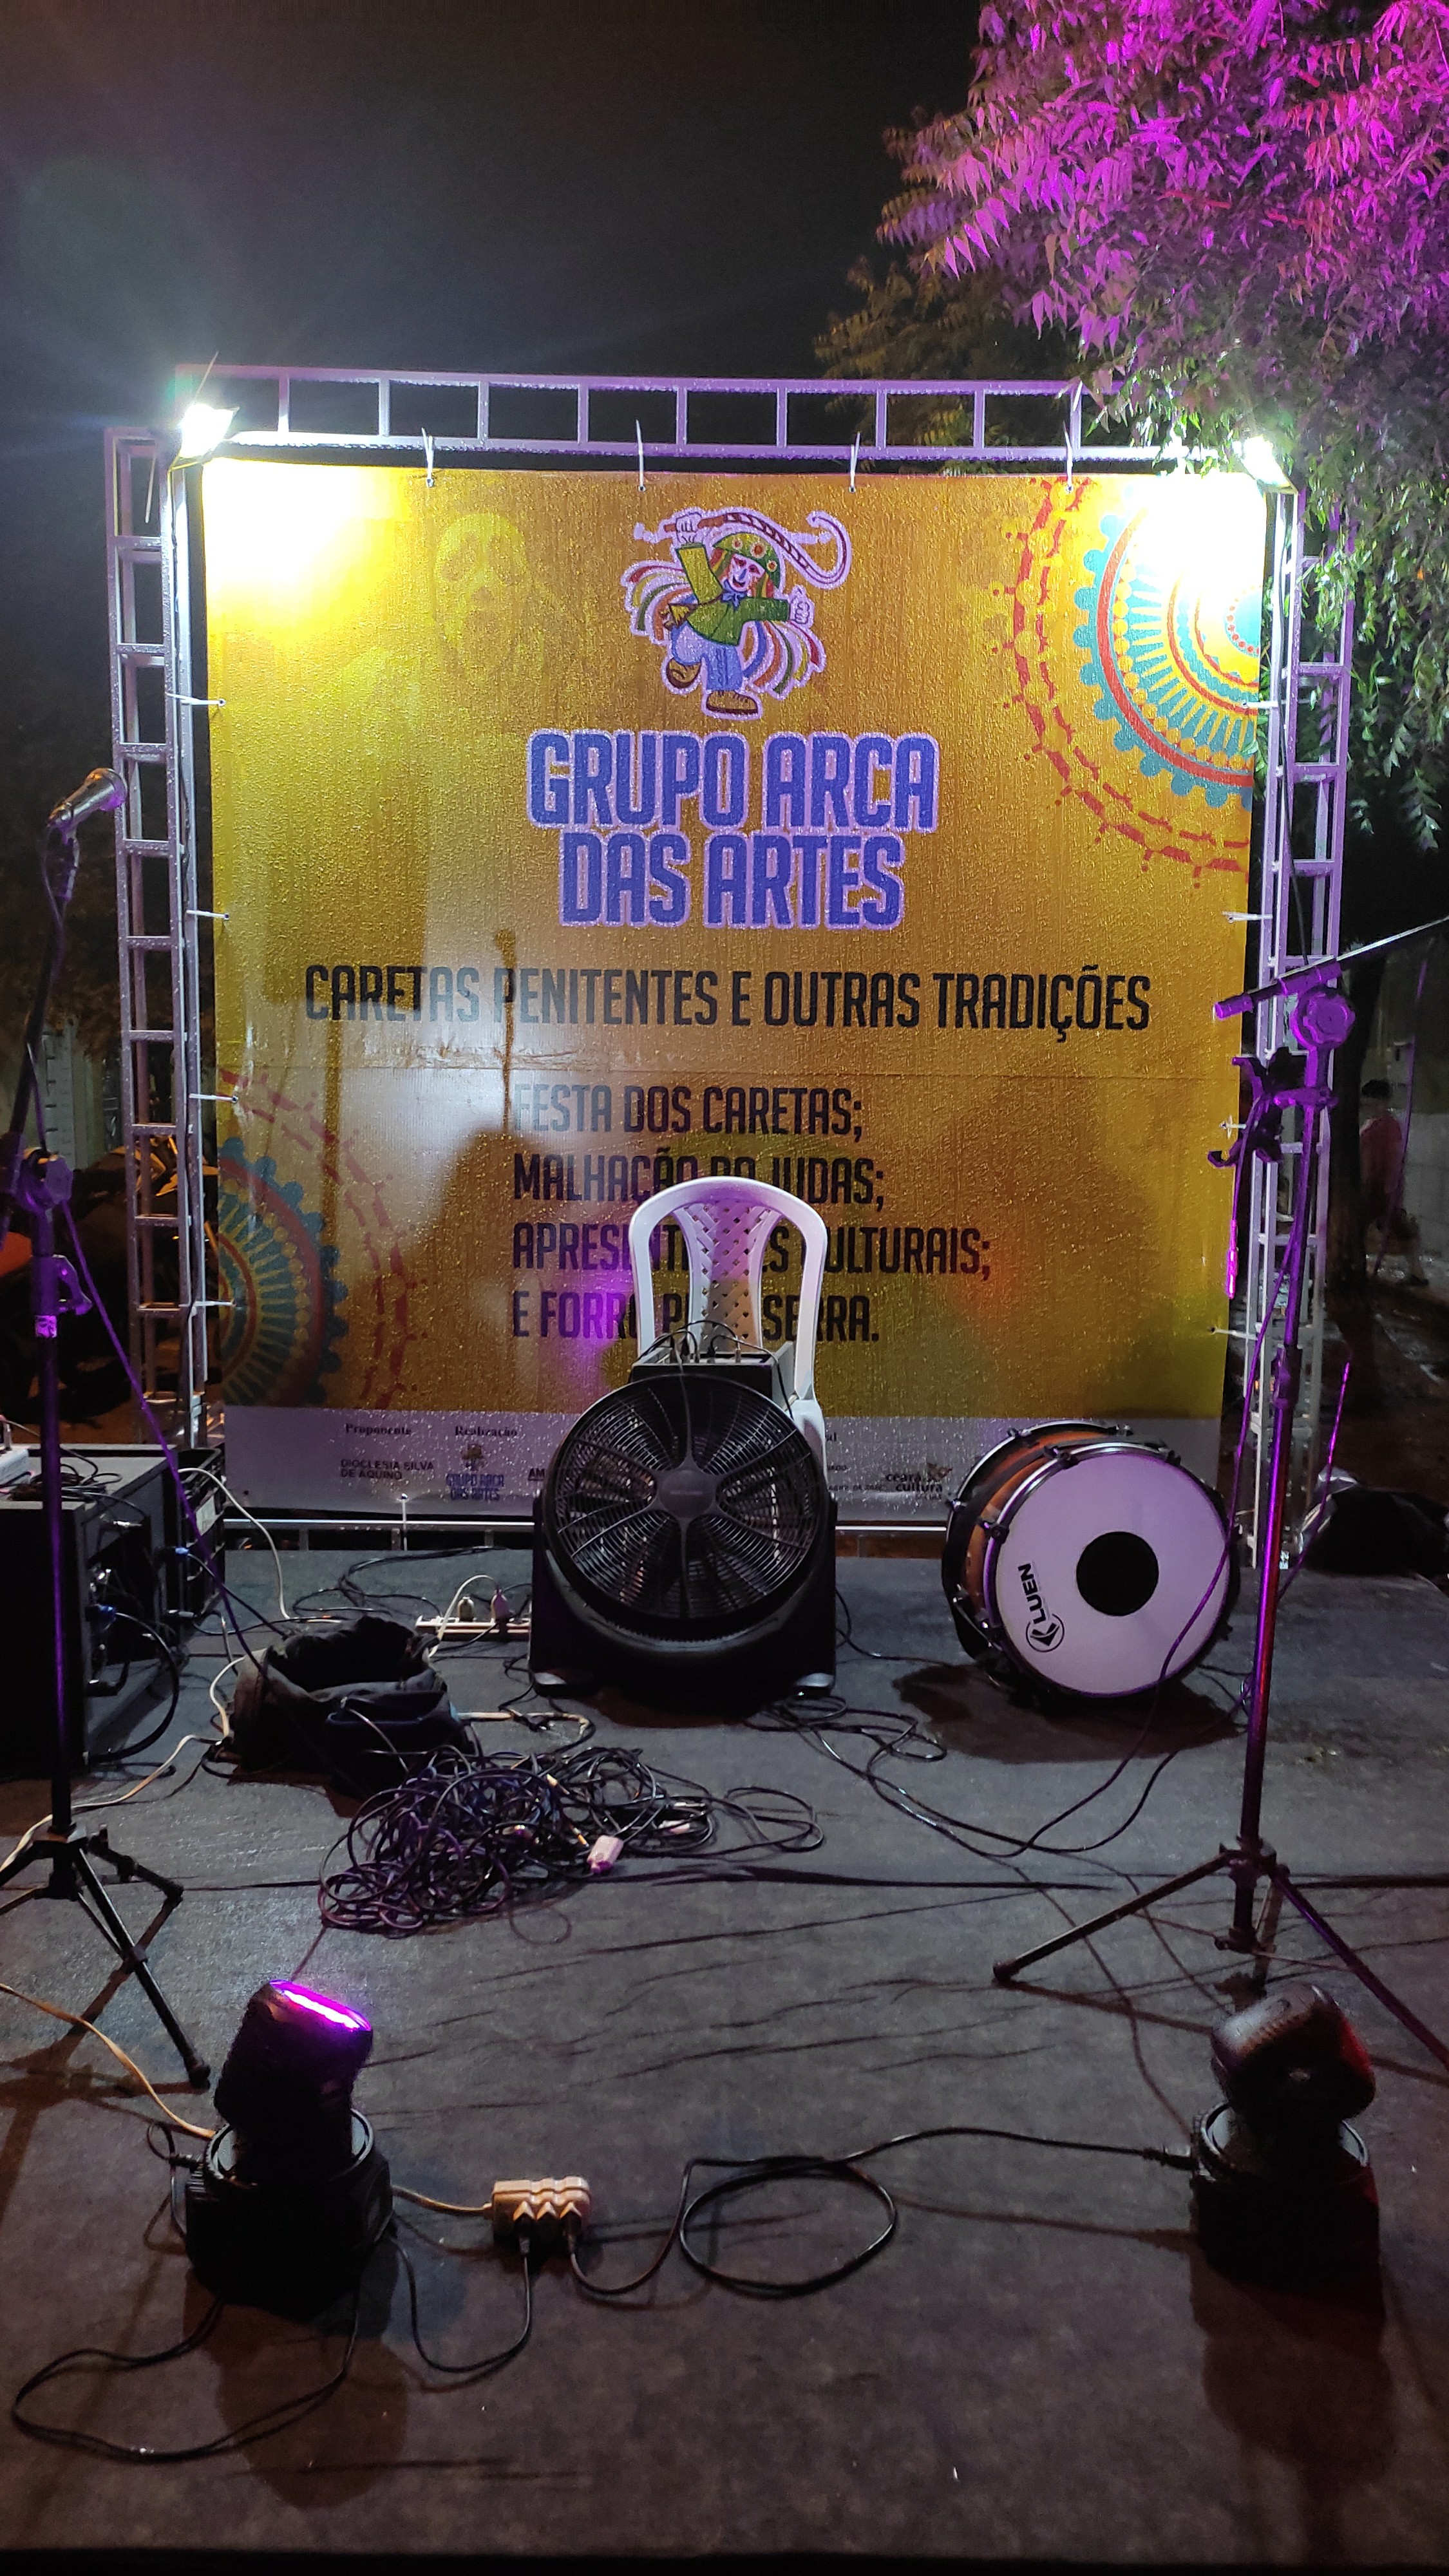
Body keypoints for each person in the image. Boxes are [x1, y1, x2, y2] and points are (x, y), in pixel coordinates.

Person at [663, 518, 811, 717]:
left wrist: (791, 610)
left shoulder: (747, 606)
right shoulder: (711, 589)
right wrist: (689, 540)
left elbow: (766, 609)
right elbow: (699, 574)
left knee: (726, 656)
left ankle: (723, 693)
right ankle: (683, 663)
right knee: (686, 650)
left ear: (761, 580)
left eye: (753, 570)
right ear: (726, 560)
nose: (742, 575)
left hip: (723, 645)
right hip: (694, 634)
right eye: (740, 563)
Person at [1359, 1077, 1427, 1283]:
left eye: (1373, 1103)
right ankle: (1416, 1271)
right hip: (1376, 1185)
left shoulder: (1387, 1127)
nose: (1370, 1107)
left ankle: (1416, 1272)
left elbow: (1391, 1158)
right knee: (1388, 1226)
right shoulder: (1374, 1124)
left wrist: (1388, 1185)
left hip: (1380, 1186)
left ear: (1383, 1101)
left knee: (1386, 1226)